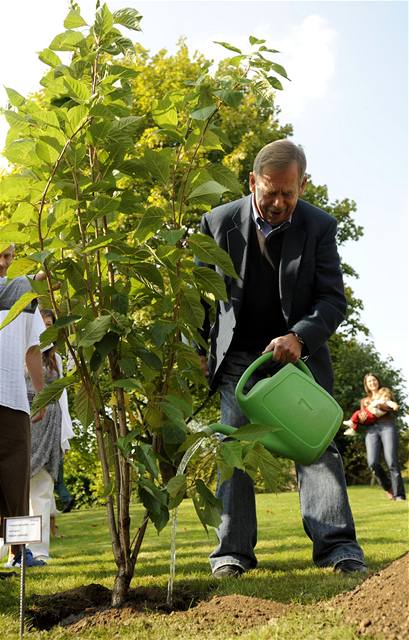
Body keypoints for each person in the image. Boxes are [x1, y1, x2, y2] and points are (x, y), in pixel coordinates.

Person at [197, 139, 367, 577]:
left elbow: (332, 300)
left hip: (296, 359)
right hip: (238, 358)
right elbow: (199, 298)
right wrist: (201, 351)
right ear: (252, 182)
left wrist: (300, 336)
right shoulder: (215, 223)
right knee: (233, 444)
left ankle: (338, 548)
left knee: (315, 443)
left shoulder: (320, 227)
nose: (277, 203)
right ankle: (231, 555)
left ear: (302, 186)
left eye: (287, 194)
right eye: (269, 191)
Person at [0, 245, 46, 574]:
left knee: (16, 482)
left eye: (9, 255)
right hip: (9, 401)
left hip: (12, 399)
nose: (4, 262)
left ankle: (18, 552)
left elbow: (33, 349)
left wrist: (41, 393)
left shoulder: (24, 293)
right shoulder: (22, 288)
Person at [359, 373, 406, 501]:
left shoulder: (385, 394)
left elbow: (389, 407)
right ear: (366, 385)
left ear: (377, 381)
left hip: (387, 427)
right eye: (369, 382)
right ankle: (388, 488)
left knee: (392, 461)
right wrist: (362, 419)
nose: (372, 383)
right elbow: (365, 418)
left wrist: (376, 404)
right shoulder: (364, 401)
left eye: (374, 380)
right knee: (372, 463)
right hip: (372, 430)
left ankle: (399, 494)